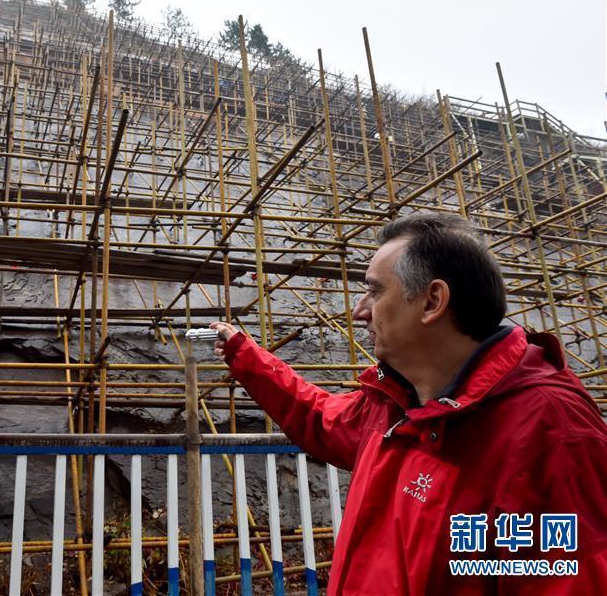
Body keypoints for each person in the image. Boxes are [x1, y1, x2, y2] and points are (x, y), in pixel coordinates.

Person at [210, 213, 607, 595]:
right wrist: (245, 355)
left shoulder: (551, 435)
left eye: (375, 291)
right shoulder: (396, 404)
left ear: (432, 300)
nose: (360, 311)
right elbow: (320, 416)